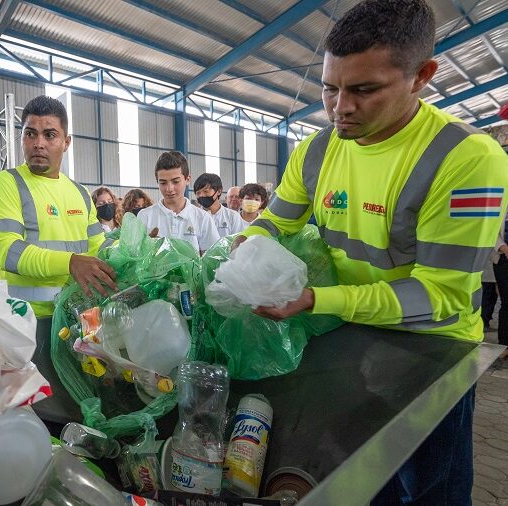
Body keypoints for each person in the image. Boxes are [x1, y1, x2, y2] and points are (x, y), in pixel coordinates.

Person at [233, 1, 508, 504]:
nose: (341, 108)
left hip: (432, 351)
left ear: (421, 76)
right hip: (349, 338)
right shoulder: (317, 150)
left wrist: (319, 299)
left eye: (364, 90)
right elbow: (277, 220)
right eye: (330, 88)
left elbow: (440, 293)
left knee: (431, 491)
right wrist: (250, 244)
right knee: (357, 481)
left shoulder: (465, 158)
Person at [0, 96, 117, 316]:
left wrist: (132, 249)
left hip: (77, 318)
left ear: (66, 142)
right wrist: (70, 262)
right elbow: (8, 252)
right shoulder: (6, 184)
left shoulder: (80, 193)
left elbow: (98, 249)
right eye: (30, 133)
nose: (38, 143)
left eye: (50, 135)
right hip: (24, 321)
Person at [136, 151, 219, 255]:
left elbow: (212, 259)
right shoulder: (145, 216)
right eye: (163, 183)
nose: (169, 189)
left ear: (187, 180)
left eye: (175, 182)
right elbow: (135, 256)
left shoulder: (202, 218)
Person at [193, 173, 241, 237]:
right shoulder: (193, 216)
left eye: (206, 191)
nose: (201, 195)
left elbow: (238, 242)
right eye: (198, 193)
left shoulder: (233, 216)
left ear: (219, 191)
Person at [493, 219, 508, 359]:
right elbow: (491, 231)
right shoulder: (501, 201)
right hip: (503, 259)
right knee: (507, 302)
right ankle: (504, 344)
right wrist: (503, 247)